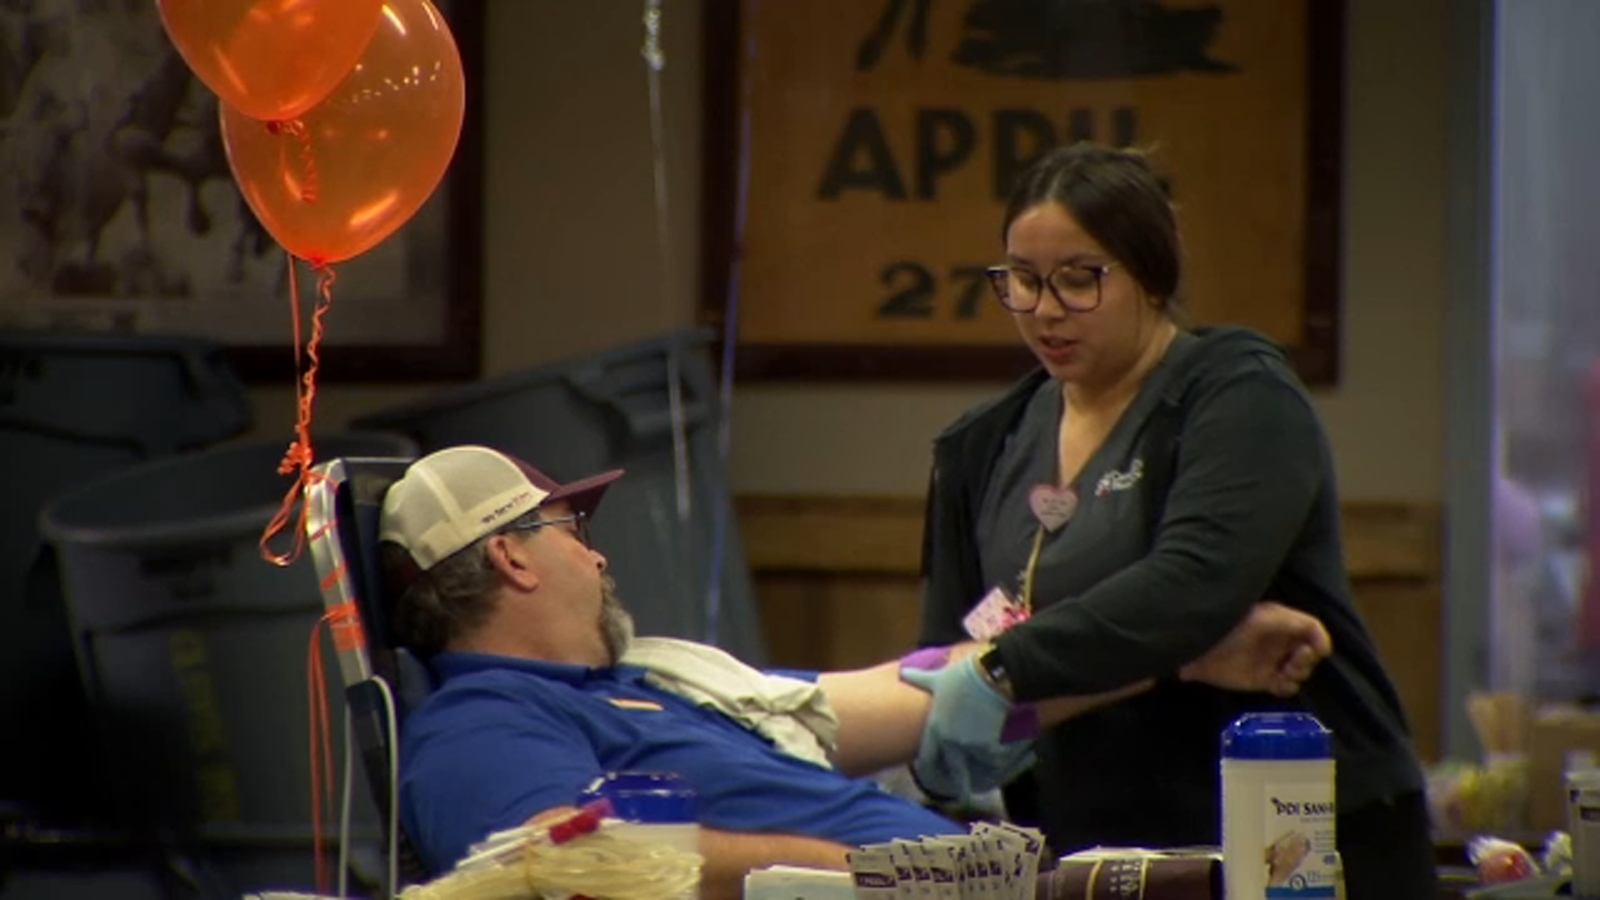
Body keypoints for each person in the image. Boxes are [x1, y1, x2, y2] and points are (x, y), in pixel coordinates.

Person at [377, 444, 1331, 900]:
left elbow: (938, 691)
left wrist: (1175, 654)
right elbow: (571, 864)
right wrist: (908, 876)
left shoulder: (659, 684)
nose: (599, 557)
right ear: (511, 557)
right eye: (573, 530)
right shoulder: (476, 729)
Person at [906, 141, 1436, 898]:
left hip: (1292, 823)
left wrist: (1003, 670)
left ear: (1152, 276)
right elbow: (947, 647)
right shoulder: (979, 445)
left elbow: (1194, 585)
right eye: (1021, 281)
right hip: (1090, 838)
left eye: (1080, 280)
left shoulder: (1234, 392)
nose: (1046, 309)